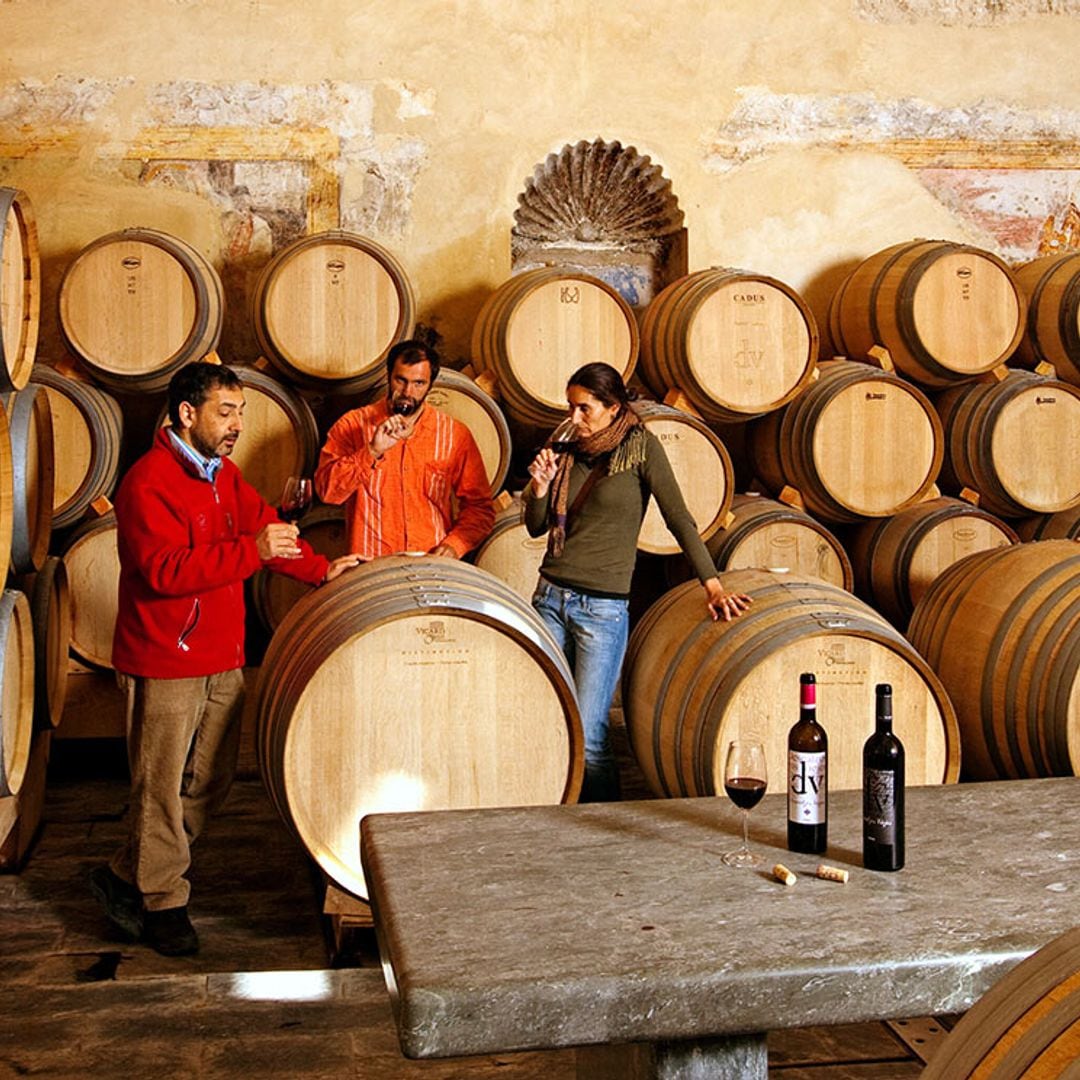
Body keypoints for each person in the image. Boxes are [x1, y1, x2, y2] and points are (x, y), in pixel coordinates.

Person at [90, 360, 360, 957]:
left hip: (222, 656)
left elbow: (265, 527)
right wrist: (251, 550)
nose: (238, 423)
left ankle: (125, 871)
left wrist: (320, 569)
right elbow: (163, 573)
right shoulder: (148, 481)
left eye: (241, 411)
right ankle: (163, 900)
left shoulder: (221, 476)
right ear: (188, 413)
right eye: (226, 411)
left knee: (209, 780)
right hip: (164, 657)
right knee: (159, 786)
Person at [524, 362, 752, 802]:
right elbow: (537, 527)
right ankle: (559, 821)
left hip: (601, 610)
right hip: (549, 598)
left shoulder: (640, 447)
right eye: (570, 407)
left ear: (612, 407)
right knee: (549, 719)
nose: (574, 418)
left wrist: (713, 583)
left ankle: (606, 827)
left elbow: (678, 518)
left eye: (584, 408)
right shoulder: (564, 445)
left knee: (590, 736)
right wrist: (538, 487)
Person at [315, 339, 494, 560]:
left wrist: (454, 546)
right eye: (401, 380)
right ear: (389, 376)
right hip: (370, 567)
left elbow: (480, 508)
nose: (408, 391)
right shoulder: (352, 425)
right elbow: (327, 492)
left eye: (419, 383)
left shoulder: (454, 434)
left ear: (430, 385)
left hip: (430, 566)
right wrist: (370, 451)